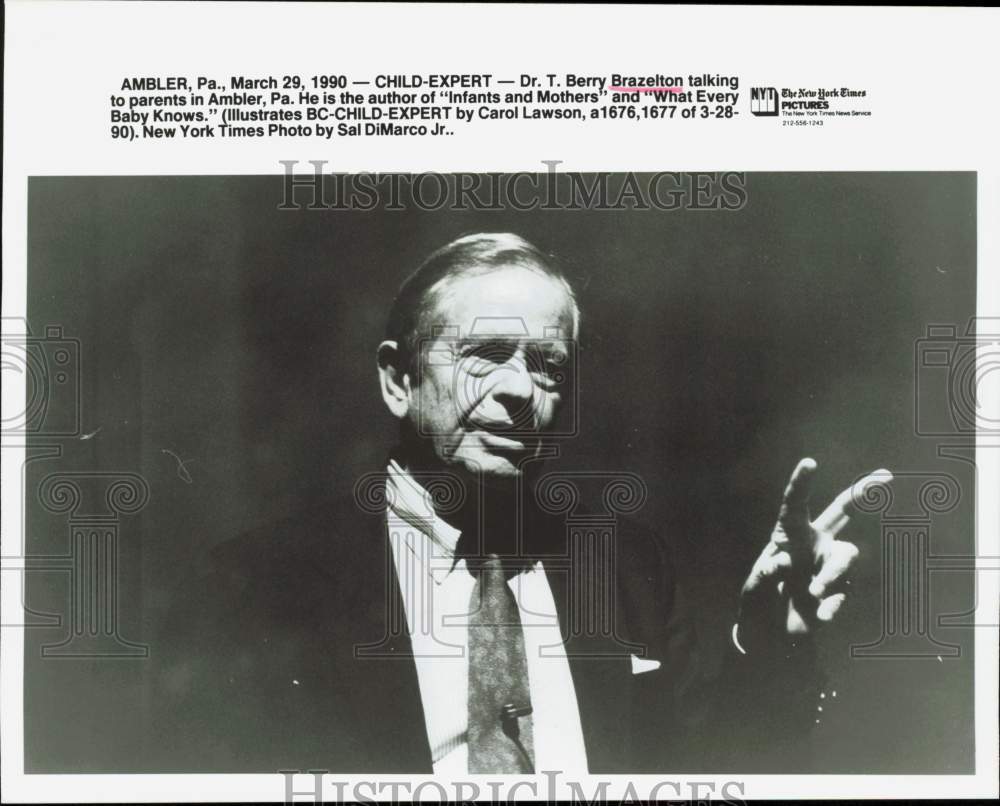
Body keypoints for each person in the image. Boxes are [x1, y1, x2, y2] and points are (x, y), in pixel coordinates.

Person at [155, 232, 892, 774]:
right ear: (397, 380)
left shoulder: (625, 565)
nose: (519, 390)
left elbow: (711, 768)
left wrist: (772, 647)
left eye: (547, 367)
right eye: (485, 354)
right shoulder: (257, 590)